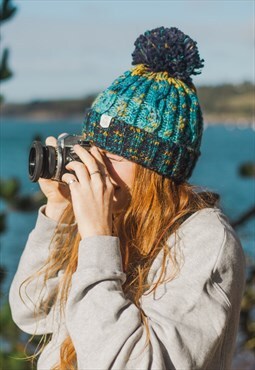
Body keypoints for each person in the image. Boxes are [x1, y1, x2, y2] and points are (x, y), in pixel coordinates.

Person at [9, 26, 246, 370]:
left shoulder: (206, 241)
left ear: (156, 171)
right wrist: (59, 212)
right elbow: (33, 313)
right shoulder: (117, 215)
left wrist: (97, 240)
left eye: (114, 157)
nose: (96, 166)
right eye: (94, 149)